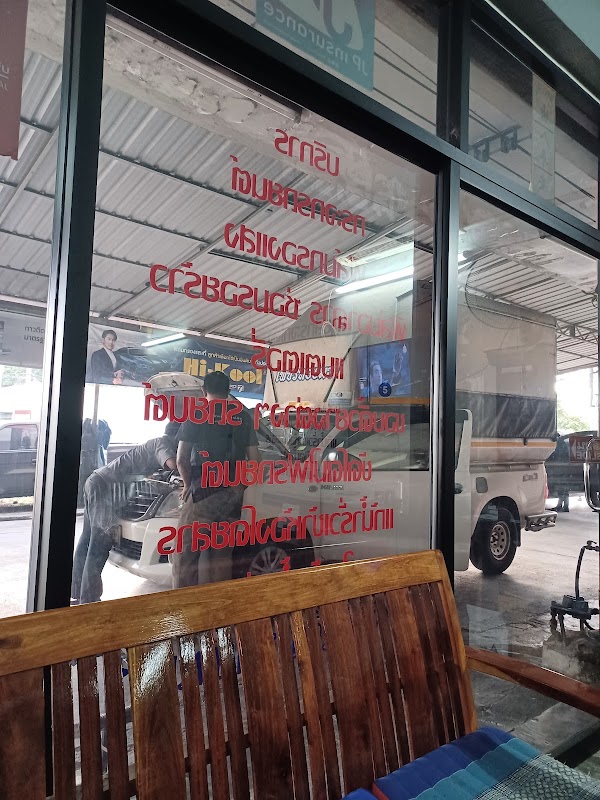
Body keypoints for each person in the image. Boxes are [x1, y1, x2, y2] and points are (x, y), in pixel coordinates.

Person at [71, 422, 179, 604]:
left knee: (88, 538)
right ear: (177, 437)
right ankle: (89, 599)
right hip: (104, 487)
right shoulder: (164, 443)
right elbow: (173, 463)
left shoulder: (154, 443)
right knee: (100, 542)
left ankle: (77, 590)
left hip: (96, 481)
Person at [173, 371, 259, 588]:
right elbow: (256, 461)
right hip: (232, 496)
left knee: (185, 557)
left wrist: (186, 485)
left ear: (204, 391)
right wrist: (239, 487)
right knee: (221, 557)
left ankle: (185, 604)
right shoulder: (242, 417)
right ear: (228, 391)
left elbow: (181, 459)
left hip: (201, 494)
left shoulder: (197, 415)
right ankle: (219, 606)